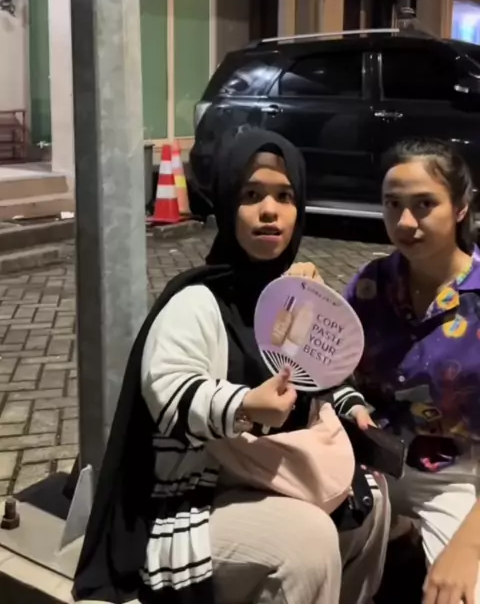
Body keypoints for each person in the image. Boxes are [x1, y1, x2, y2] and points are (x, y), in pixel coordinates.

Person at [72, 127, 390, 604]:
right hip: (194, 495)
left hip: (271, 474)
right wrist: (244, 405)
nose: (269, 210)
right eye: (251, 195)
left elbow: (315, 375)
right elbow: (169, 390)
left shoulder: (289, 297)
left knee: (372, 499)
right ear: (226, 205)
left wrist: (350, 404)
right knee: (306, 541)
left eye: (285, 196)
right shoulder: (198, 300)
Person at [344, 138, 480, 604]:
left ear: (461, 207)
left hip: (456, 476)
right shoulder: (371, 284)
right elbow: (321, 364)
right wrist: (300, 297)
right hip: (369, 463)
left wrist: (468, 547)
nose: (404, 222)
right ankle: (398, 536)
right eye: (392, 204)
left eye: (424, 204)